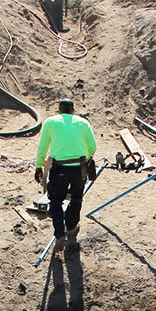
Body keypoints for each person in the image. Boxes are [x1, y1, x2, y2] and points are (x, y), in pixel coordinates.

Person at [34, 99, 97, 251]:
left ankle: (60, 235)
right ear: (73, 110)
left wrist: (38, 166)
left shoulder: (51, 122)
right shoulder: (83, 123)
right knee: (76, 199)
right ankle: (71, 228)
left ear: (60, 109)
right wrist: (86, 159)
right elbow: (93, 146)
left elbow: (43, 146)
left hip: (59, 168)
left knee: (55, 202)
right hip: (78, 168)